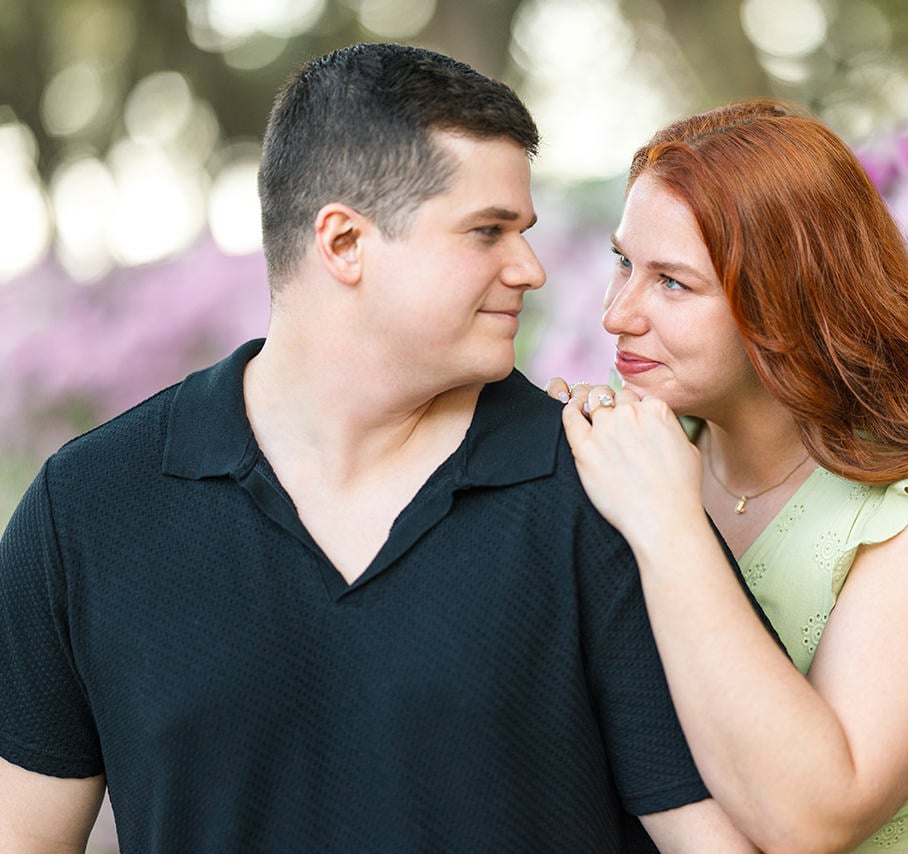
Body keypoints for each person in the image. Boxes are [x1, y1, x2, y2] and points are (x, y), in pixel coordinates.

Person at [0, 43, 756, 853]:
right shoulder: (87, 508)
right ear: (345, 243)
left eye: (524, 231)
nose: (531, 268)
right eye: (487, 232)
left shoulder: (599, 490)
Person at [548, 99, 908, 852]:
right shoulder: (633, 454)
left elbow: (816, 816)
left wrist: (666, 526)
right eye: (623, 263)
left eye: (672, 283)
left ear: (788, 296)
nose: (617, 314)